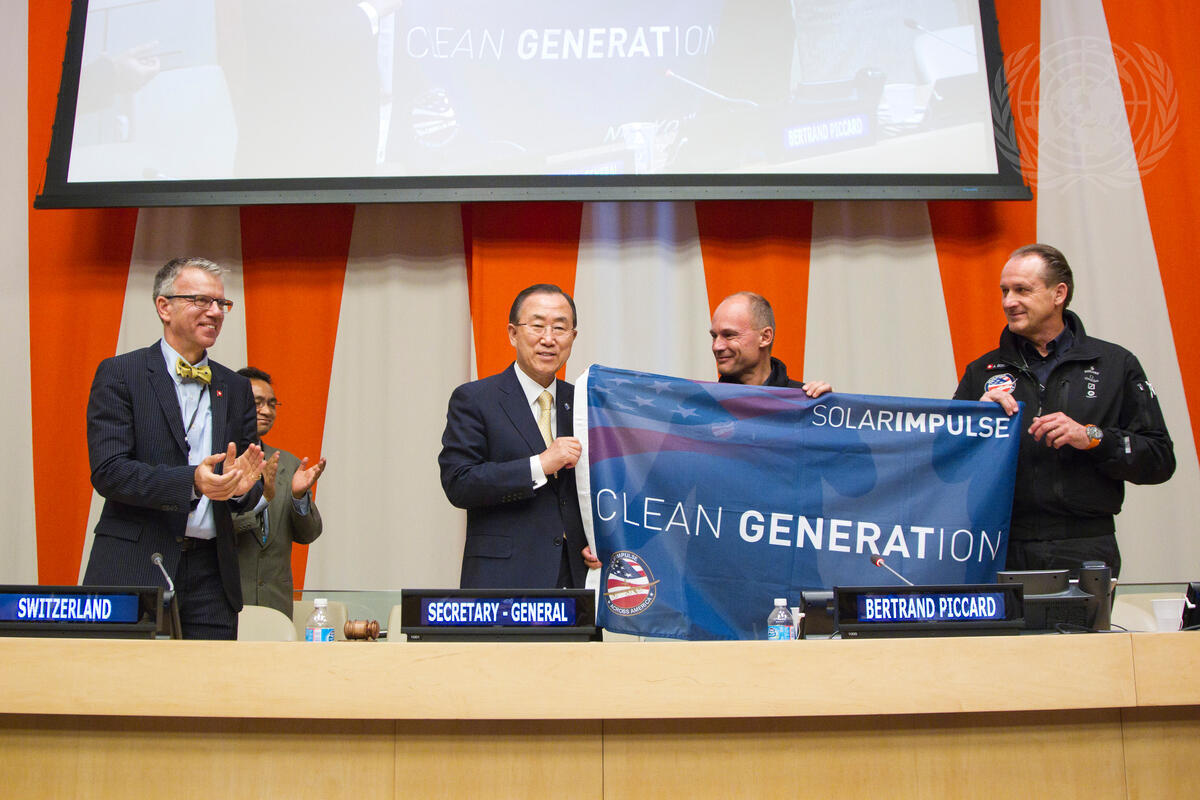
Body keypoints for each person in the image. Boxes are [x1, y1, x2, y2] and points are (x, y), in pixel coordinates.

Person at [954, 243, 1175, 577]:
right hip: (1001, 544)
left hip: (1084, 545)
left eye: (1022, 290)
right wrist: (976, 425)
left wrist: (1092, 438)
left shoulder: (1115, 364)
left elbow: (1159, 460)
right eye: (1005, 291)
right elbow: (946, 466)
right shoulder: (981, 372)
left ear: (1059, 294)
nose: (1008, 302)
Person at [83, 257, 264, 639]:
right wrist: (192, 482)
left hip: (212, 577)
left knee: (210, 678)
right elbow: (109, 472)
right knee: (126, 678)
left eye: (221, 303)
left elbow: (249, 484)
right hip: (135, 566)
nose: (215, 312)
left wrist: (242, 489)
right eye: (201, 300)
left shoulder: (235, 388)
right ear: (164, 307)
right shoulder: (121, 374)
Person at [439, 284, 601, 589]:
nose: (548, 339)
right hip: (503, 580)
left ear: (573, 337)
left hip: (574, 579)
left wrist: (597, 541)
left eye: (560, 328)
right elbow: (459, 483)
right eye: (537, 326)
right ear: (513, 334)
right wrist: (540, 465)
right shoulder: (475, 399)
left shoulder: (584, 403)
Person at [232, 367, 327, 620]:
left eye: (272, 404)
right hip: (227, 605)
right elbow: (216, 527)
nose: (266, 411)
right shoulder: (217, 463)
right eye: (257, 403)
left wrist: (298, 498)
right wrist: (262, 500)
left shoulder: (287, 463)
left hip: (276, 608)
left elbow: (309, 534)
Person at [709, 291, 832, 395]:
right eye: (714, 336)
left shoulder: (805, 403)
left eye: (729, 335)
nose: (717, 346)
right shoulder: (705, 405)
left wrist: (828, 407)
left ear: (765, 337)